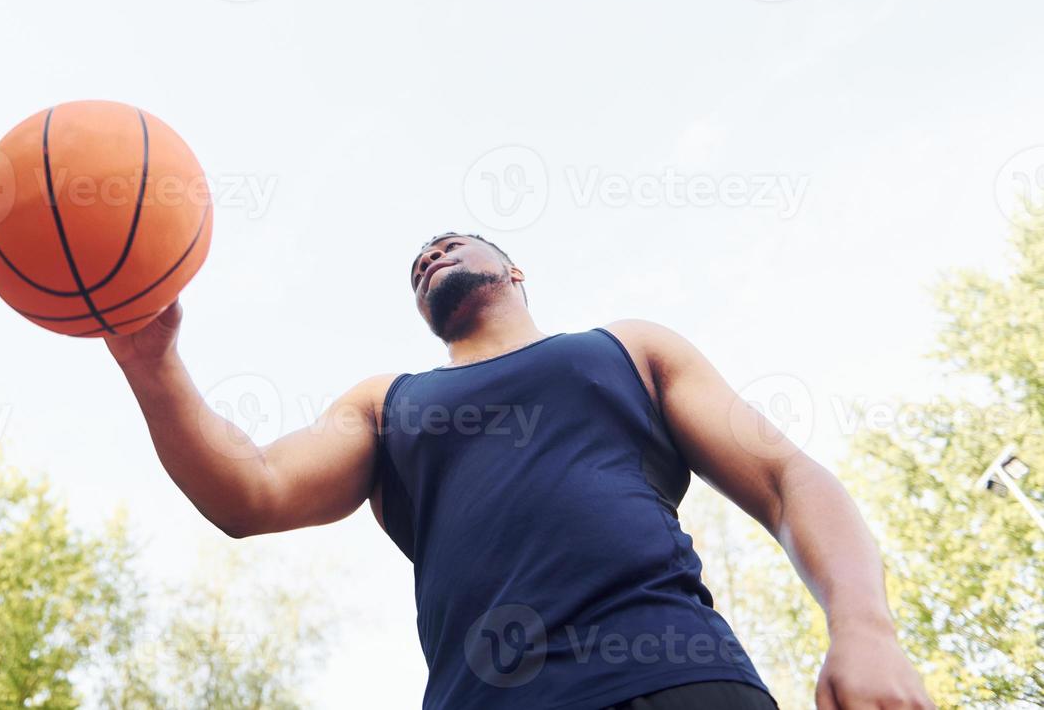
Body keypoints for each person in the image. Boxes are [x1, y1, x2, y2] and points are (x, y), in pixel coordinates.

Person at [105, 232, 934, 710]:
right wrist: (152, 366)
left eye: (452, 241)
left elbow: (787, 475)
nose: (430, 251)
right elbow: (250, 490)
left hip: (678, 678)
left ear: (517, 271)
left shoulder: (627, 348)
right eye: (418, 263)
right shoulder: (386, 402)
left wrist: (864, 628)